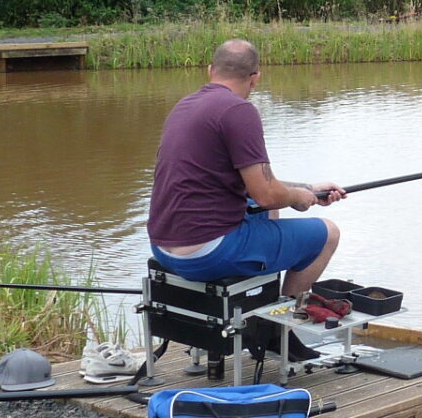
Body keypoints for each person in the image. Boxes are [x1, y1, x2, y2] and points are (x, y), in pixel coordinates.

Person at [147, 39, 346, 304]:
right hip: (208, 253)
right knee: (328, 233)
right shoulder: (239, 111)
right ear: (255, 78)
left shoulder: (184, 107)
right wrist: (297, 198)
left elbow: (255, 186)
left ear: (210, 70)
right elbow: (266, 194)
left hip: (163, 248)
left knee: (263, 208)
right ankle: (279, 327)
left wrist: (308, 190)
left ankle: (260, 305)